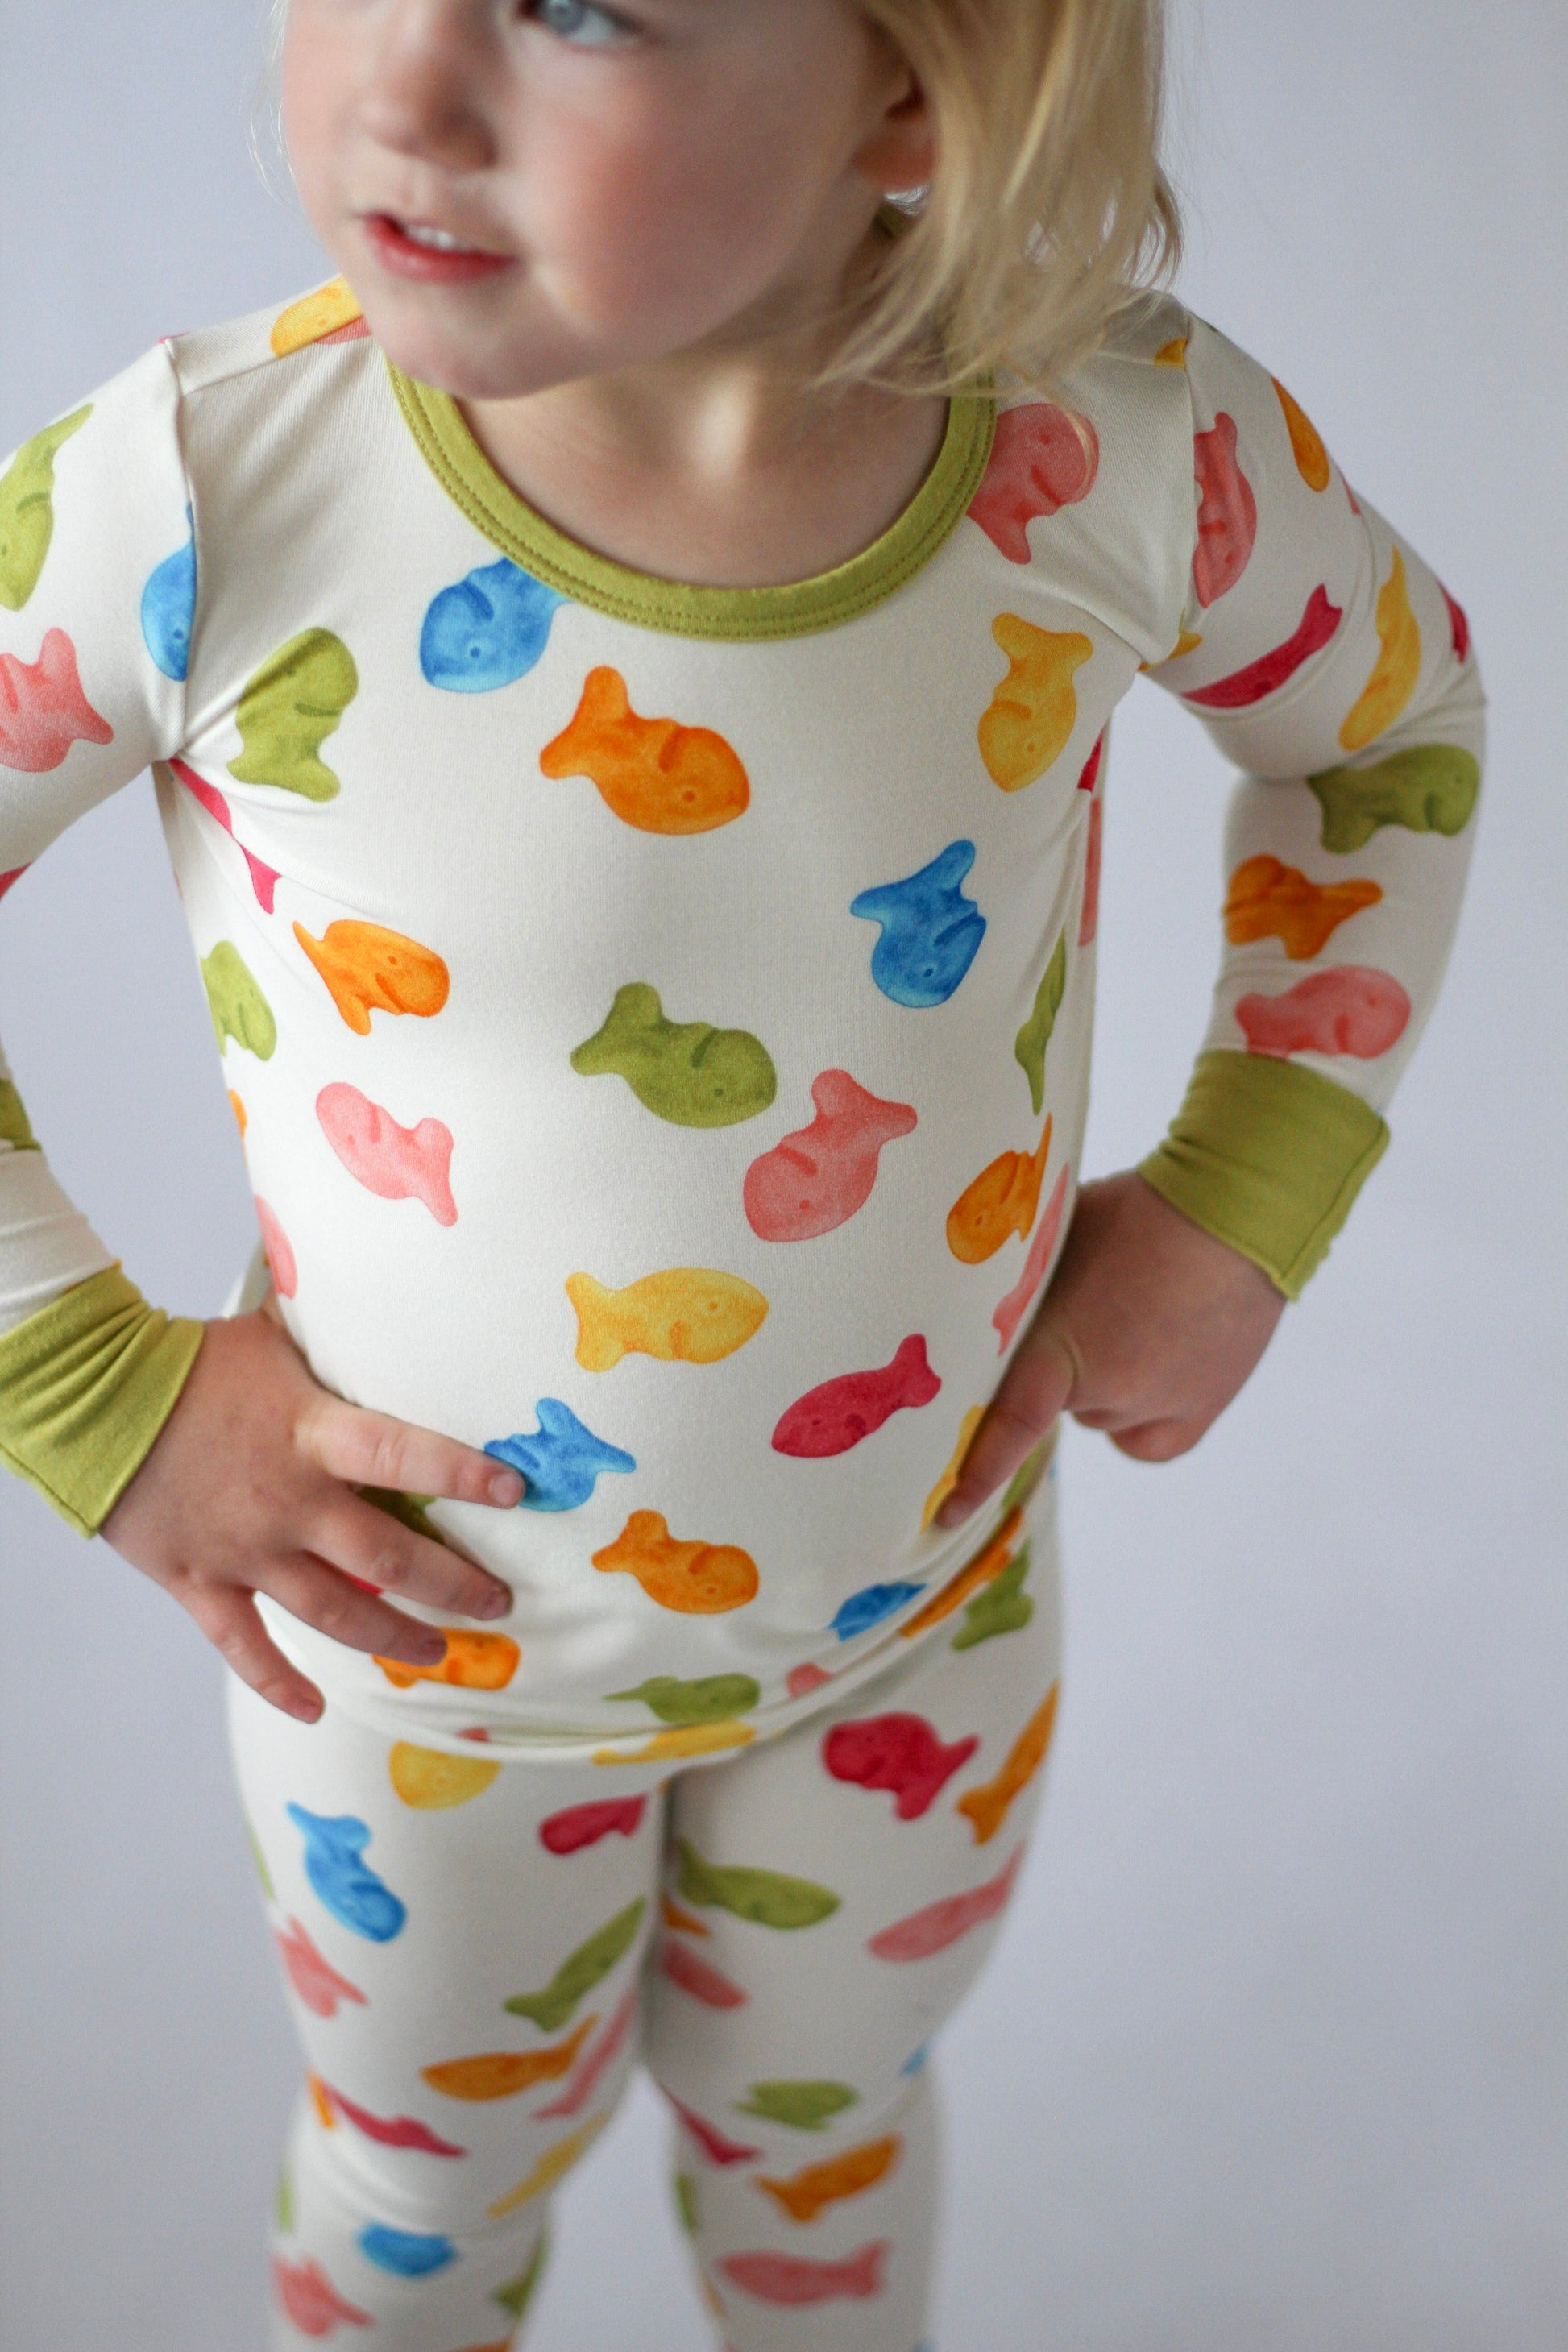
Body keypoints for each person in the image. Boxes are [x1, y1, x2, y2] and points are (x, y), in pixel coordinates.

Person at [0, 0, 1485, 2343]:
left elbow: (1385, 726)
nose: (402, 86)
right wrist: (90, 1384)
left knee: (833, 2139)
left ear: (913, 80)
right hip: (418, 1674)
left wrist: (1245, 1179)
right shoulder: (195, 488)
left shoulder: (1114, 442)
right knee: (418, 2203)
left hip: (918, 1614)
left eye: (577, 5)